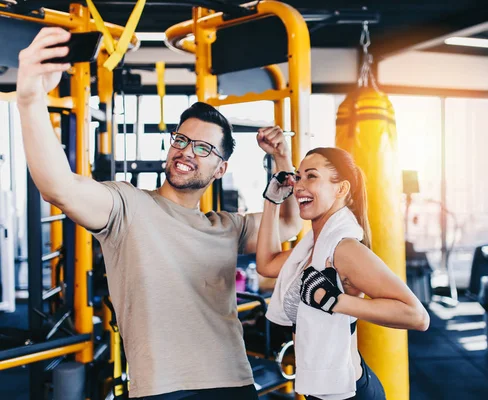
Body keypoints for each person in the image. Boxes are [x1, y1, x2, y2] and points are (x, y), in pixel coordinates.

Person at [16, 27, 302, 399]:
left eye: (202, 148)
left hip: (232, 381)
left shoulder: (226, 226)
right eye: (181, 140)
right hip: (164, 389)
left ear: (220, 170)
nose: (185, 151)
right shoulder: (128, 207)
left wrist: (281, 158)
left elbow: (289, 221)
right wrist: (30, 99)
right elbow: (58, 185)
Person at [256, 147, 430, 400]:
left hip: (349, 394)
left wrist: (336, 301)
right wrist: (272, 200)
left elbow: (417, 316)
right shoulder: (311, 250)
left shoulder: (344, 249)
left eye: (311, 176)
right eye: (298, 176)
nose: (298, 185)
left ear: (341, 189)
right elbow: (267, 264)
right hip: (322, 391)